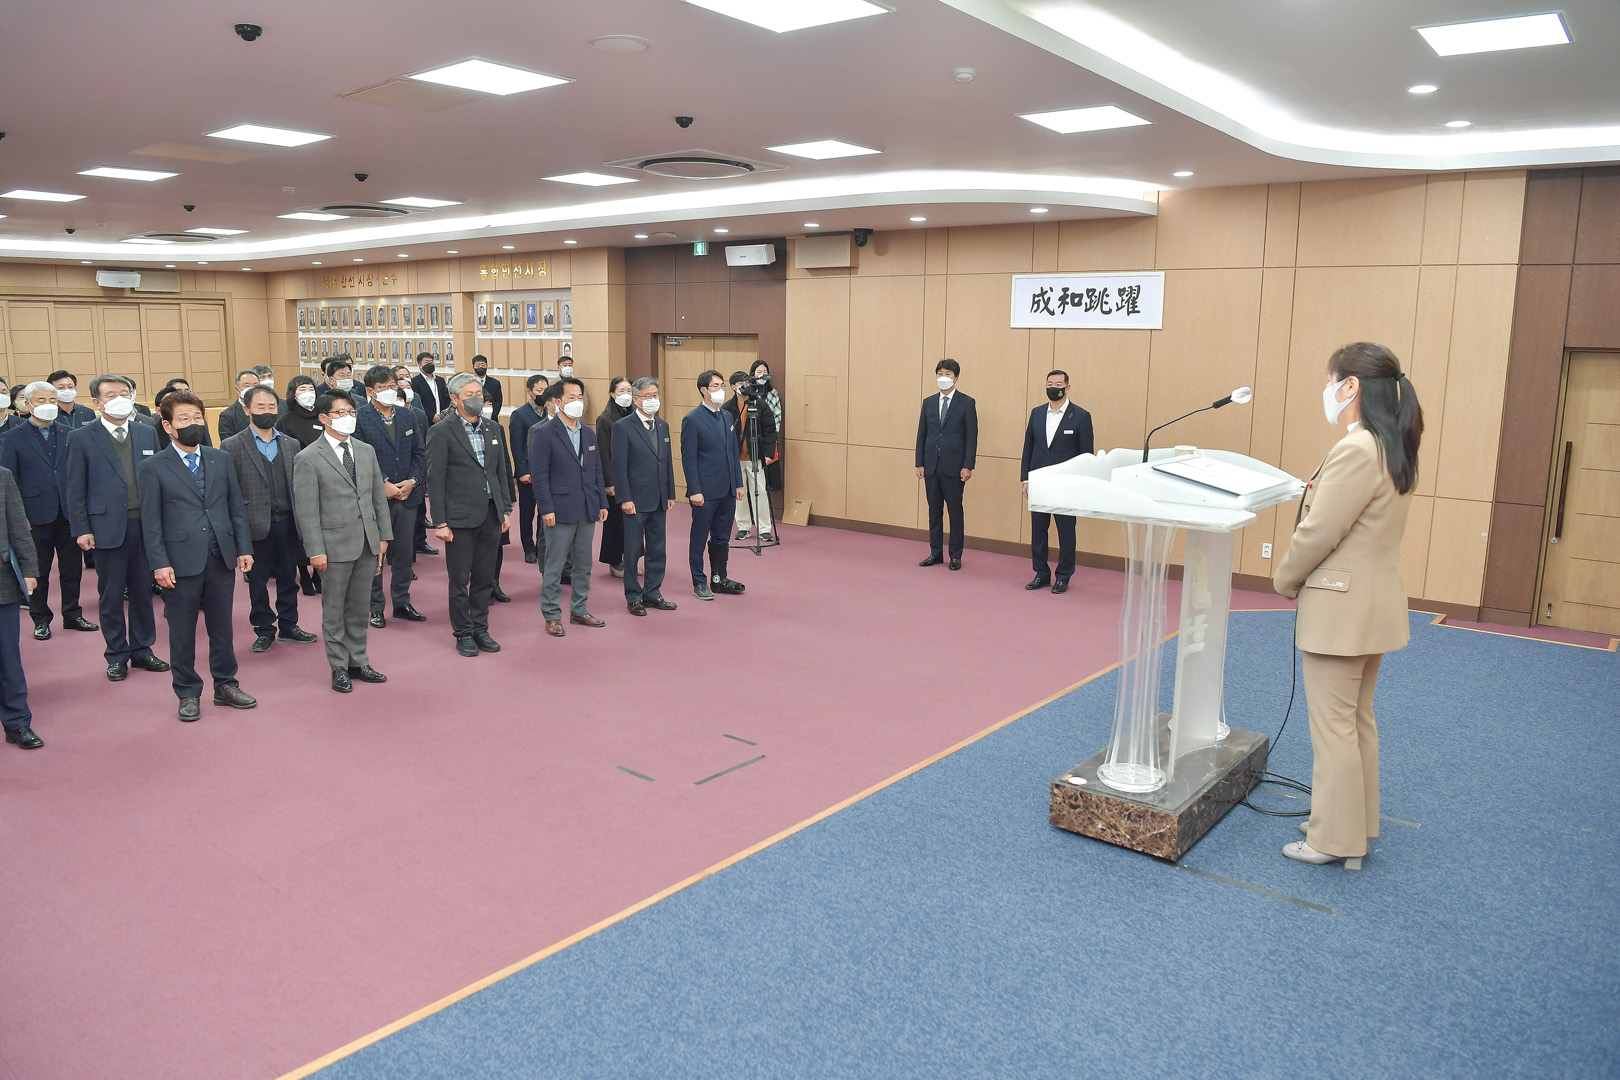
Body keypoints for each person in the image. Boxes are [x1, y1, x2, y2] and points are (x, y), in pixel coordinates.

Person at [1273, 342, 1423, 869]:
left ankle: (1332, 840)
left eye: (1331, 380)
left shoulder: (1357, 448)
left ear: (1351, 386)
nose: (1327, 390)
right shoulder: (1390, 443)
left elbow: (1320, 531)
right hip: (1371, 606)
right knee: (1355, 721)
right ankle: (1352, 824)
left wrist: (1284, 578)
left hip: (1341, 608)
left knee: (1333, 728)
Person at [139, 392, 257, 722]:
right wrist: (159, 562)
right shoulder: (153, 467)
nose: (193, 424)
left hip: (220, 556)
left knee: (222, 627)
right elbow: (151, 521)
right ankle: (188, 691)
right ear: (168, 426)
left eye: (197, 417)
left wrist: (244, 548)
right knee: (182, 632)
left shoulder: (220, 459)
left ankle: (226, 684)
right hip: (179, 562)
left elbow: (236, 508)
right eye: (184, 419)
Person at [63, 373, 170, 682]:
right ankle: (116, 655)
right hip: (105, 527)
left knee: (143, 592)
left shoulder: (146, 431)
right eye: (111, 395)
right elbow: (74, 489)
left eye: (125, 393)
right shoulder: (82, 437)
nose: (120, 399)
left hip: (144, 525)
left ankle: (143, 649)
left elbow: (157, 480)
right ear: (97, 402)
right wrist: (82, 529)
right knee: (110, 596)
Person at [292, 391, 391, 693]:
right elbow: (307, 511)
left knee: (359, 608)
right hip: (332, 546)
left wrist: (383, 536)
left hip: (366, 541)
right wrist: (315, 550)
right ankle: (339, 666)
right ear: (323, 418)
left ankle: (358, 661)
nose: (348, 417)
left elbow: (377, 497)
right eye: (340, 412)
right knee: (335, 610)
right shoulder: (308, 457)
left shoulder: (365, 450)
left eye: (351, 411)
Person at [222, 386, 318, 653]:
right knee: (258, 583)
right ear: (247, 410)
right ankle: (264, 629)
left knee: (289, 578)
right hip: (254, 526)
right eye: (260, 407)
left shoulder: (290, 444)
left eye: (272, 407)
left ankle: (289, 625)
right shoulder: (232, 446)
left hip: (287, 523)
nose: (267, 412)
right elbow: (230, 492)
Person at [0, 381, 98, 640]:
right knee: (39, 570)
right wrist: (20, 517)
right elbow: (10, 481)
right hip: (34, 515)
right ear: (28, 404)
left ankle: (72, 614)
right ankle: (41, 619)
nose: (48, 405)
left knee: (72, 569)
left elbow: (81, 475)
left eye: (52, 400)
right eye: (41, 400)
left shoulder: (71, 434)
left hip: (68, 513)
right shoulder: (12, 437)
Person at [426, 373, 513, 656]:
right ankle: (463, 632)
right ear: (454, 399)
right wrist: (440, 521)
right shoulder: (442, 431)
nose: (477, 399)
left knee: (485, 578)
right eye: (469, 395)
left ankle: (480, 628)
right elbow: (435, 480)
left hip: (491, 513)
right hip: (459, 517)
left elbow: (500, 472)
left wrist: (505, 509)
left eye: (479, 394)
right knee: (459, 580)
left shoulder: (492, 428)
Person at [531, 377, 607, 636]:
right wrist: (546, 508)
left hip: (587, 507)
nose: (577, 402)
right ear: (557, 402)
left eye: (580, 398)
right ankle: (552, 614)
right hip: (559, 508)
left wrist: (602, 502)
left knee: (584, 564)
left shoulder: (588, 432)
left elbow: (597, 471)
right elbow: (540, 476)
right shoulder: (544, 433)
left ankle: (579, 609)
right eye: (571, 398)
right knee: (555, 566)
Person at [355, 365, 426, 627]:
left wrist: (413, 481)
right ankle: (375, 607)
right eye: (382, 387)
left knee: (404, 554)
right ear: (370, 391)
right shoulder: (359, 418)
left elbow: (419, 452)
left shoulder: (408, 415)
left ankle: (402, 602)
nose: (389, 391)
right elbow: (360, 457)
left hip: (407, 496)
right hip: (376, 497)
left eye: (392, 386)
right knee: (376, 554)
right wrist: (383, 483)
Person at [1020, 369, 1094, 594]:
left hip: (1066, 485)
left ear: (1067, 387)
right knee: (1038, 532)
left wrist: (1081, 485)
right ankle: (1041, 573)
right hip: (1039, 482)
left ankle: (1063, 576)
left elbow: (1086, 456)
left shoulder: (1080, 416)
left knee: (1066, 533)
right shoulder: (1037, 413)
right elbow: (1028, 448)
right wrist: (1026, 479)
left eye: (1059, 384)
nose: (1054, 388)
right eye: (1050, 384)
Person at [612, 377, 677, 617]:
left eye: (655, 395)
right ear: (636, 399)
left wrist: (670, 493)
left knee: (657, 548)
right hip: (635, 499)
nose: (653, 400)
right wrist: (625, 498)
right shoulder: (623, 426)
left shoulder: (662, 425)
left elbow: (667, 462)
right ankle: (633, 596)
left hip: (659, 498)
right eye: (648, 396)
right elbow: (619, 466)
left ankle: (653, 592)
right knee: (632, 550)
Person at [680, 369, 746, 600]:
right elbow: (689, 459)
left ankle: (719, 578)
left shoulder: (727, 416)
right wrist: (695, 490)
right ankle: (699, 581)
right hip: (705, 492)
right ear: (704, 390)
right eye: (716, 386)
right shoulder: (692, 419)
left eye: (722, 385)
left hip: (727, 489)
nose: (721, 390)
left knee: (722, 537)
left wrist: (738, 483)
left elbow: (733, 452)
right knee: (699, 538)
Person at [915, 358, 977, 571]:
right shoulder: (928, 402)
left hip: (955, 467)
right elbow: (922, 434)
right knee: (934, 511)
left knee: (955, 512)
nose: (943, 377)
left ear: (956, 378)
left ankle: (955, 555)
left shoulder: (966, 403)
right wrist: (919, 462)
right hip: (931, 465)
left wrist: (968, 465)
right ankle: (935, 552)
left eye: (948, 374)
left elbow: (971, 437)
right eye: (940, 373)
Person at [0, 464, 41, 749]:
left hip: (2, 582)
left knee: (8, 657)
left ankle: (17, 722)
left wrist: (29, 569)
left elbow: (17, 526)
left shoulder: (3, 476)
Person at [724, 370, 778, 542]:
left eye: (746, 383)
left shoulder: (760, 405)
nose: (744, 386)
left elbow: (770, 431)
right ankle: (744, 527)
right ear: (733, 387)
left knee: (760, 492)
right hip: (735, 458)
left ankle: (764, 528)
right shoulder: (727, 408)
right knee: (739, 494)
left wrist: (768, 454)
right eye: (740, 384)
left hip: (756, 456)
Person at [596, 376, 634, 575]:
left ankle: (631, 558)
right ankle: (614, 561)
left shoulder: (635, 415)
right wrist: (609, 482)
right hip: (615, 478)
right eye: (621, 391)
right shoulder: (605, 419)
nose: (626, 395)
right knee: (616, 523)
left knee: (633, 521)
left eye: (629, 391)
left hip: (633, 477)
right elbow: (603, 452)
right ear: (612, 394)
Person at [509, 373, 549, 564]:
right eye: (539, 390)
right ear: (529, 391)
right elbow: (516, 447)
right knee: (527, 513)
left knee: (545, 511)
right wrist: (522, 471)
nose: (543, 393)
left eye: (545, 390)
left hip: (546, 471)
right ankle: (528, 547)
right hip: (527, 472)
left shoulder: (550, 412)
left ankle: (541, 546)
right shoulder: (519, 414)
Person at [748, 359, 785, 495]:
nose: (762, 374)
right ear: (753, 374)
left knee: (768, 476)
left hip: (768, 436)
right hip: (751, 436)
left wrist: (771, 434)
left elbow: (777, 416)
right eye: (759, 372)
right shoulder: (748, 392)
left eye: (765, 371)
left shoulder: (772, 392)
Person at [215, 369, 262, 442]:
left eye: (255, 385)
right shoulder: (227, 415)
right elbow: (228, 444)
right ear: (237, 390)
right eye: (247, 386)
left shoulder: (267, 409)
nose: (251, 389)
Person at [410, 352, 450, 424]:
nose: (430, 364)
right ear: (420, 365)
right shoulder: (415, 381)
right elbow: (417, 403)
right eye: (426, 362)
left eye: (431, 362)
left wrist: (444, 414)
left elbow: (446, 398)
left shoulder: (440, 380)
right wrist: (431, 416)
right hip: (426, 420)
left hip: (443, 419)